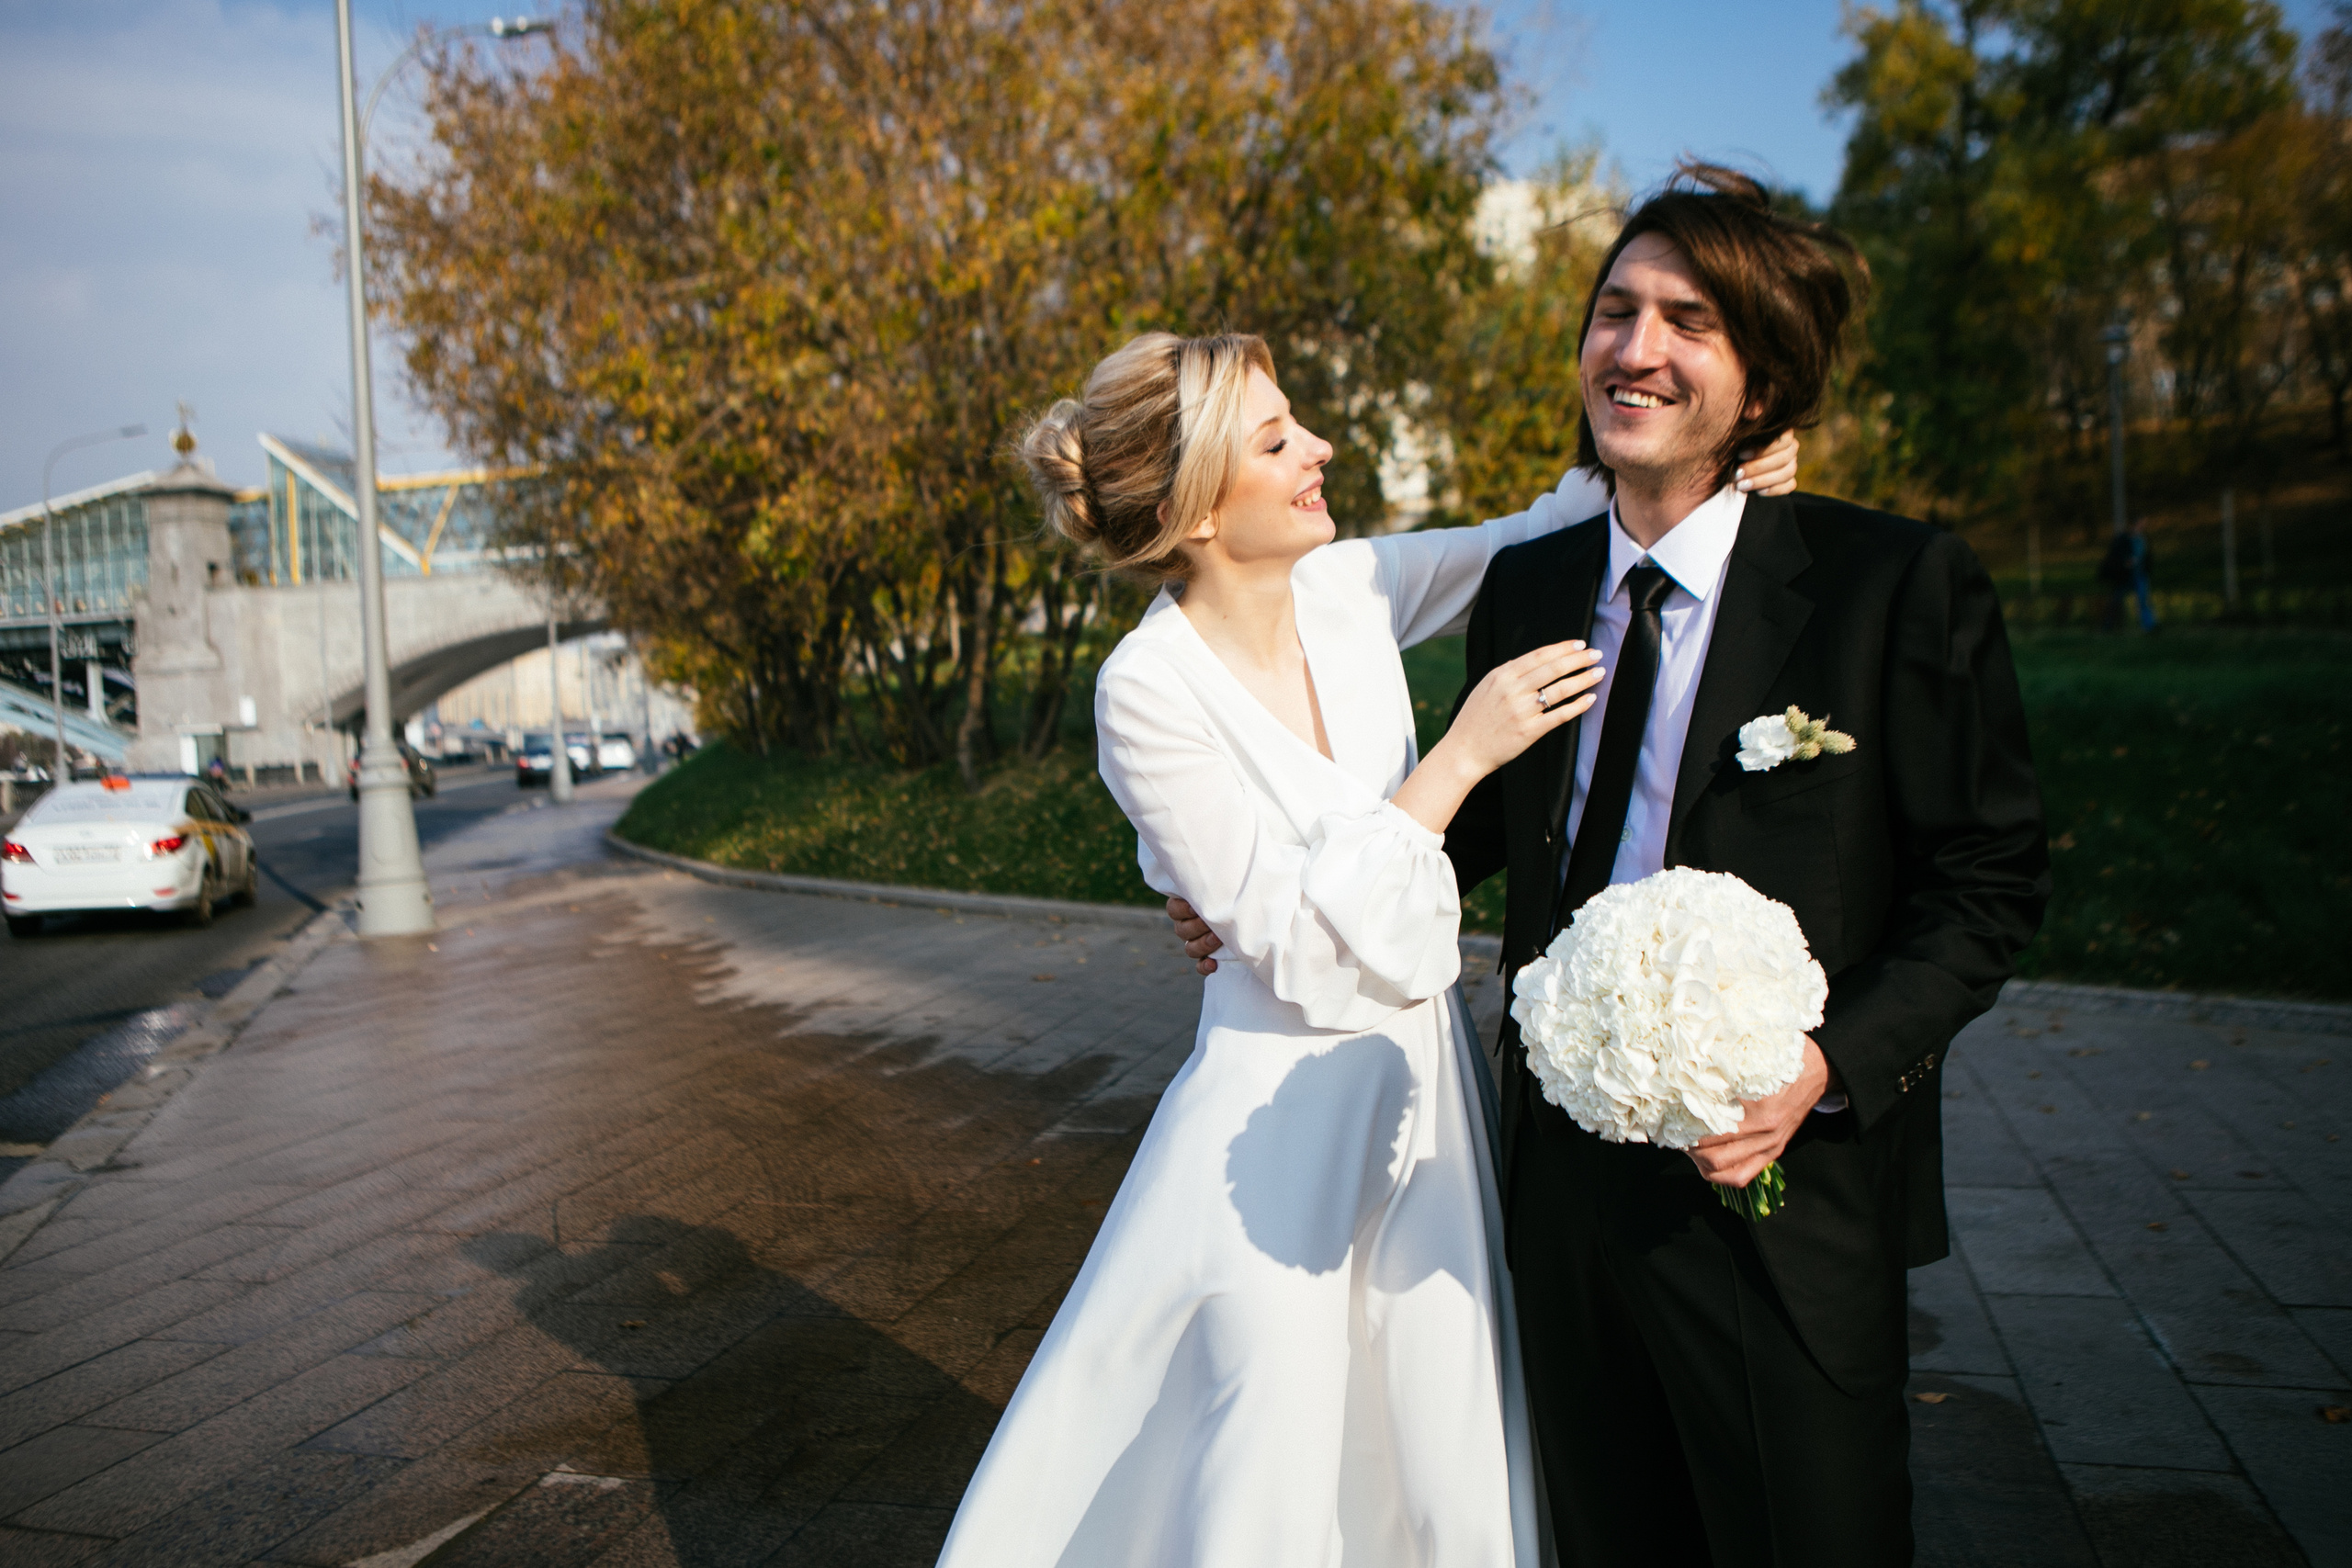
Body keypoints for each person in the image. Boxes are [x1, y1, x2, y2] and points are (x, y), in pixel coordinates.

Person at [1182, 164, 2047, 1564]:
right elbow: (1473, 832)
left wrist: (1826, 1072)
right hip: (1559, 1193)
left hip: (1783, 1189)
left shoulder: (1893, 586)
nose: (1634, 348)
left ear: (1761, 385)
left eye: (1688, 321)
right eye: (1615, 310)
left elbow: (1988, 881)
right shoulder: (1533, 586)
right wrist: (1272, 893)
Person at [936, 331, 1799, 1567]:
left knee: (1431, 1444)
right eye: (1278, 440)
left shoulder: (1352, 587)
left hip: (1424, 1103)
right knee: (1266, 1456)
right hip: (1267, 1127)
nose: (1319, 450)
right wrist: (1459, 759)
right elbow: (1293, 952)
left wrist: (1723, 460)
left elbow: (1548, 531)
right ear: (1195, 509)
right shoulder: (1145, 691)